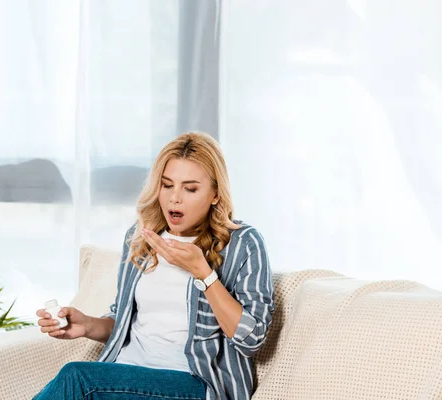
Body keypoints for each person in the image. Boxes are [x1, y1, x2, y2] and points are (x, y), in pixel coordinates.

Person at [33, 132, 274, 400]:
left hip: (194, 383)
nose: (175, 198)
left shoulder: (242, 243)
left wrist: (204, 274)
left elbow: (251, 339)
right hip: (125, 375)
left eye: (190, 188)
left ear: (215, 194)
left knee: (77, 378)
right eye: (167, 185)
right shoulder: (141, 237)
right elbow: (125, 320)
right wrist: (87, 325)